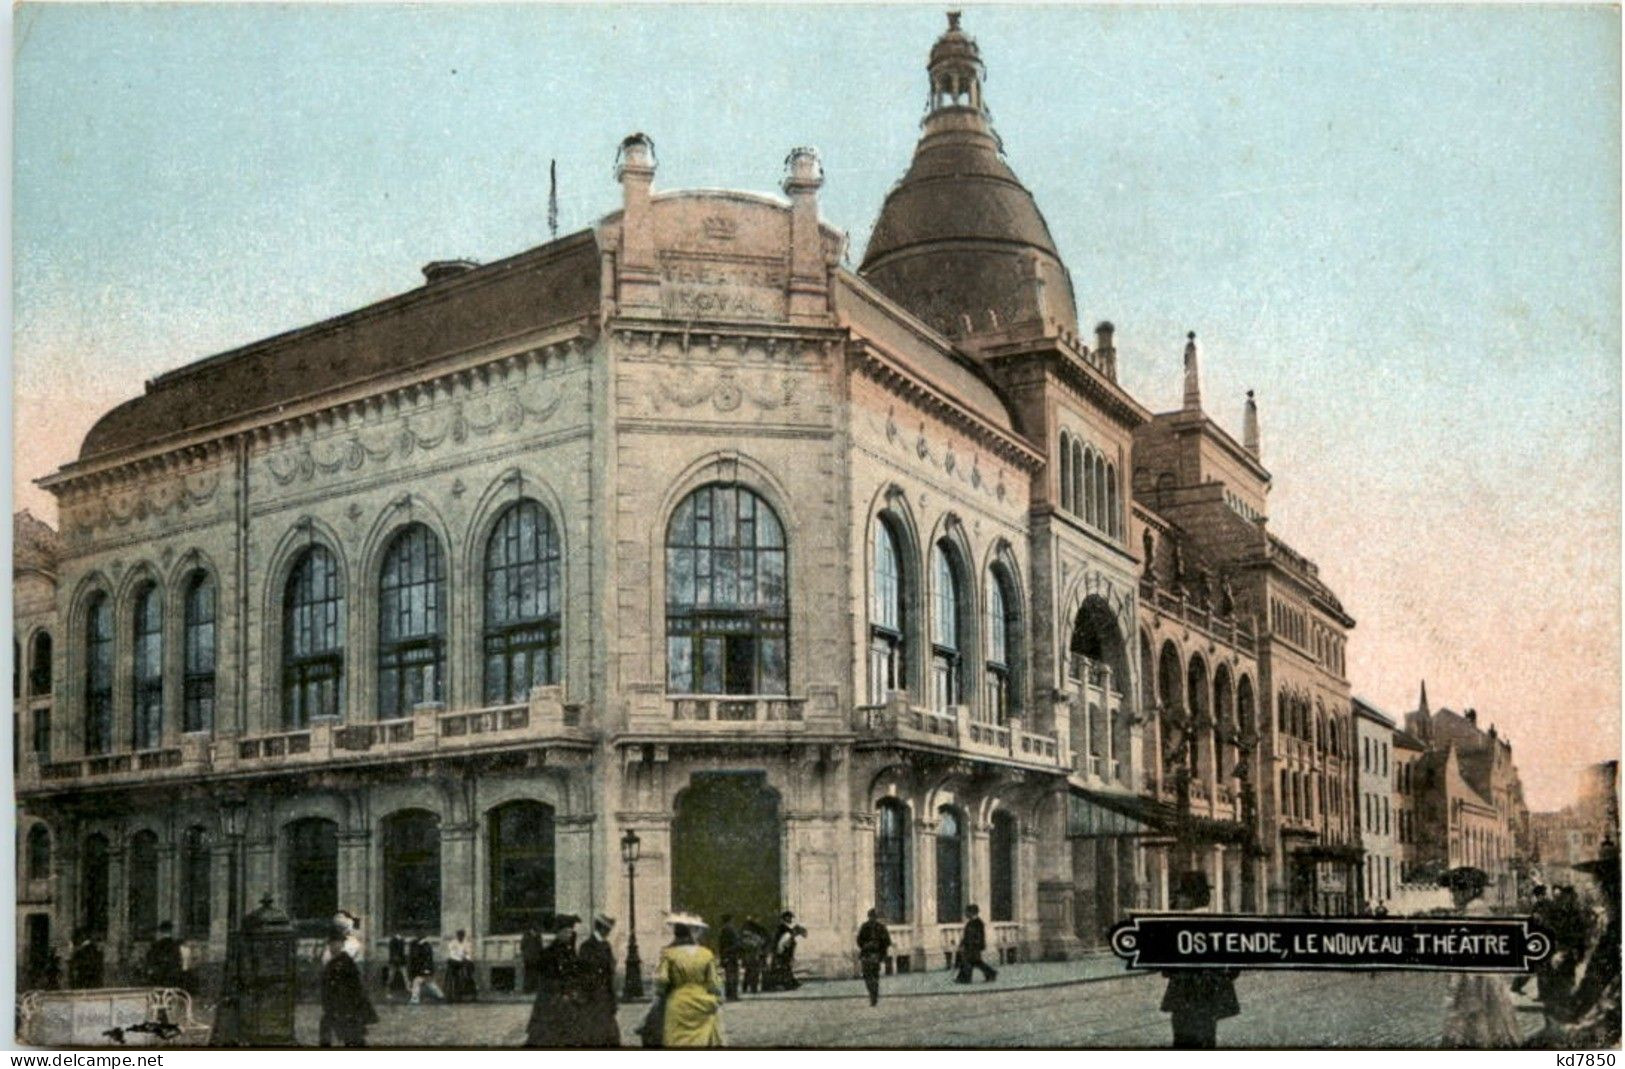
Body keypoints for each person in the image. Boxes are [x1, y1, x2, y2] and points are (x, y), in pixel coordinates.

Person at [1440, 868, 1521, 1048]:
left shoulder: (1472, 913)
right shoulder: (1480, 910)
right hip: (1487, 978)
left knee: (1474, 1026)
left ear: (1468, 891)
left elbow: (1465, 953)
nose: (1453, 896)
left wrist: (1454, 986)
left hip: (1474, 981)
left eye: (1456, 891)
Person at [1159, 872, 1239, 1049]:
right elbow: (1234, 968)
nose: (1177, 900)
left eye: (1180, 895)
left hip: (1184, 1000)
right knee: (1207, 1041)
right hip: (1210, 1002)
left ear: (1189, 898)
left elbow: (1165, 969)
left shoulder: (1178, 927)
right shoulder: (1220, 924)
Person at [656, 921, 725, 1047]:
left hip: (678, 1001)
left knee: (676, 1040)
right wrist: (718, 998)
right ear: (690, 935)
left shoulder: (669, 954)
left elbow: (662, 980)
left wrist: (661, 994)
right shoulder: (706, 953)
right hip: (701, 1000)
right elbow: (713, 982)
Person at [525, 913, 580, 1047]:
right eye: (566, 931)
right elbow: (546, 979)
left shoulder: (570, 952)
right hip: (551, 1003)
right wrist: (562, 992)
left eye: (571, 932)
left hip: (567, 1001)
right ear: (559, 932)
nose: (569, 935)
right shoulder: (549, 952)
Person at [319, 924, 378, 1048]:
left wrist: (356, 1008)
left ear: (341, 945)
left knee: (353, 1039)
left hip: (348, 1008)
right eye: (331, 943)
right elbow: (325, 987)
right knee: (326, 1036)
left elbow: (356, 987)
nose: (334, 946)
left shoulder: (346, 962)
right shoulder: (329, 963)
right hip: (333, 1008)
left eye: (337, 943)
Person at [570, 914, 620, 1048]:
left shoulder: (605, 945)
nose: (608, 933)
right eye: (608, 930)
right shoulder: (587, 946)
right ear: (603, 929)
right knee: (596, 1035)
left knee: (607, 1035)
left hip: (604, 996)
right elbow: (584, 971)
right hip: (594, 996)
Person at [857, 909, 892, 1007]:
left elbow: (886, 942)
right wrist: (865, 945)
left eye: (873, 917)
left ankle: (874, 996)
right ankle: (872, 994)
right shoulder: (865, 927)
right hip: (867, 955)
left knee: (874, 976)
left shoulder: (881, 928)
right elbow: (859, 940)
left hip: (875, 955)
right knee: (867, 976)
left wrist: (882, 955)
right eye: (871, 917)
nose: (872, 919)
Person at [955, 905, 998, 984]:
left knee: (971, 961)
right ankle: (964, 978)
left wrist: (975, 945)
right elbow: (966, 935)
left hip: (974, 946)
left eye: (967, 912)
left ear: (972, 912)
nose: (965, 914)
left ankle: (965, 978)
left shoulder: (978, 923)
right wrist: (962, 943)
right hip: (970, 946)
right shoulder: (970, 922)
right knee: (973, 962)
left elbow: (979, 936)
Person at [144, 921, 185, 988]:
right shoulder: (175, 945)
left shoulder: (156, 945)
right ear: (171, 931)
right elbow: (178, 960)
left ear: (160, 932)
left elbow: (151, 959)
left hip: (159, 975)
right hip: (173, 975)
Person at [767, 911, 802, 991]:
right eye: (789, 918)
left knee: (785, 968)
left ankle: (790, 983)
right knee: (782, 968)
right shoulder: (782, 928)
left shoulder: (785, 928)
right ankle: (787, 984)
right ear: (785, 918)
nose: (791, 920)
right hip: (783, 952)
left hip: (785, 952)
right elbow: (782, 941)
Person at [408, 935, 445, 1004]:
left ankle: (415, 998)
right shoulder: (424, 946)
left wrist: (427, 969)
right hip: (423, 968)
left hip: (424, 968)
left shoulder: (425, 946)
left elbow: (427, 959)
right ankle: (440, 995)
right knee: (428, 983)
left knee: (419, 982)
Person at [444, 929, 476, 1002]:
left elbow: (469, 953)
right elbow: (453, 953)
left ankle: (468, 992)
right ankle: (451, 994)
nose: (460, 937)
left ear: (464, 936)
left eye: (462, 935)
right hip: (455, 961)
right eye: (459, 935)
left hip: (465, 961)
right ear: (457, 936)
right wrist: (461, 957)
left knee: (468, 974)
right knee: (452, 975)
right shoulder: (452, 943)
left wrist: (466, 958)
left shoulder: (467, 943)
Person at [740, 916, 769, 995]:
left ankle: (746, 988)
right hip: (753, 955)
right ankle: (753, 988)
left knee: (749, 972)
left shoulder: (749, 932)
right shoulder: (752, 933)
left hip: (752, 955)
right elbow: (754, 943)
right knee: (753, 972)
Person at [718, 915, 742, 1001]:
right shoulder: (731, 930)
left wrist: (722, 956)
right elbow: (737, 943)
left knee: (729, 976)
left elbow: (721, 945)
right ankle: (733, 995)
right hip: (731, 955)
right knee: (732, 976)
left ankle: (730, 995)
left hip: (727, 955)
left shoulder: (723, 930)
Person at [520, 923, 544, 995]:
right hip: (528, 958)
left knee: (535, 974)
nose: (534, 933)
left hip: (536, 958)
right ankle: (527, 989)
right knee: (528, 974)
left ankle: (533, 989)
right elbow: (522, 947)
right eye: (534, 931)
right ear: (531, 930)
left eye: (536, 932)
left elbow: (540, 947)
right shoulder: (526, 936)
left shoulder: (538, 937)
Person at [386, 933, 410, 1000]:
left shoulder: (398, 941)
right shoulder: (397, 941)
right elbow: (395, 952)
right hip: (397, 962)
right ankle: (388, 991)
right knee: (393, 976)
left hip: (397, 962)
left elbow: (394, 952)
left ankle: (408, 989)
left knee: (394, 976)